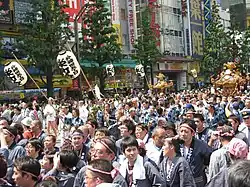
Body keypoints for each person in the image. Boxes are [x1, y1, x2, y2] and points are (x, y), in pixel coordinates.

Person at [178, 119, 212, 187]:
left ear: (193, 133)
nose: (183, 134)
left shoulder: (201, 146)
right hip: (180, 181)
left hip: (197, 181)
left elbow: (209, 160)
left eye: (186, 132)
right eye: (181, 131)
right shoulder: (175, 145)